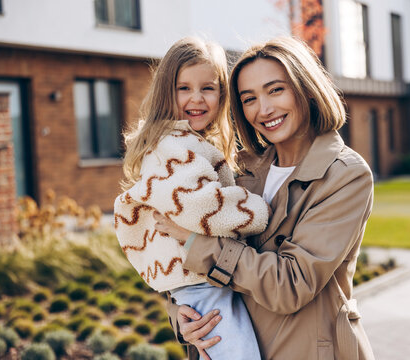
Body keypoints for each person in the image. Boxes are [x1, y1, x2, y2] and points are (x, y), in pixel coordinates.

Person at [155, 36, 376, 360]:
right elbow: (182, 266)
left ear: (306, 88)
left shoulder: (344, 175)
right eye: (249, 98)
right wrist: (181, 316)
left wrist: (196, 244)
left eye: (276, 90)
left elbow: (291, 284)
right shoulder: (237, 168)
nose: (264, 109)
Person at [113, 37, 267, 360]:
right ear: (167, 92)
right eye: (184, 88)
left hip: (205, 284)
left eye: (207, 88)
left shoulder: (189, 140)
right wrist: (257, 209)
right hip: (202, 288)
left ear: (222, 95)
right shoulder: (173, 145)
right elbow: (200, 206)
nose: (196, 99)